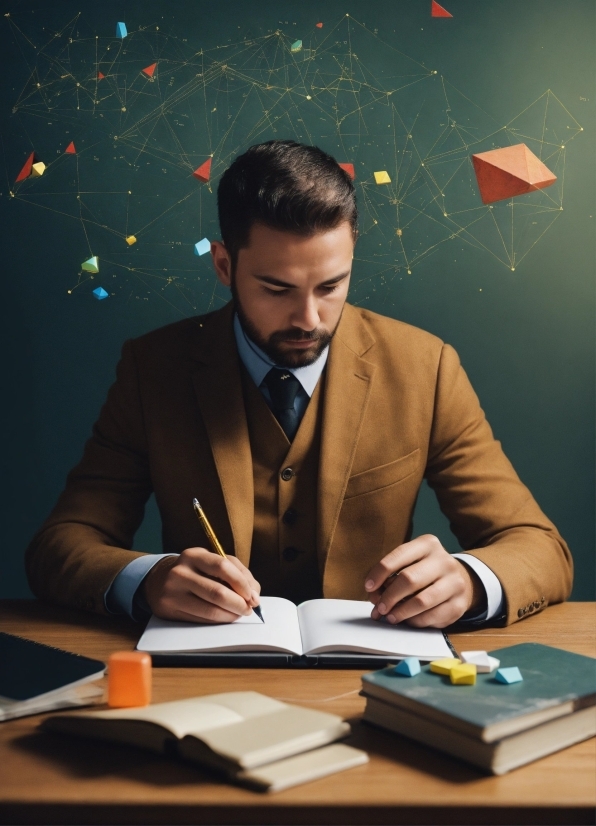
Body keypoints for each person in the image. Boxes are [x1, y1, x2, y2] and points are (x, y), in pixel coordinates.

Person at [25, 140, 572, 629]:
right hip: (204, 678)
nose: (308, 317)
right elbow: (59, 546)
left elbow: (540, 548)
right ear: (223, 265)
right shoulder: (153, 369)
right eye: (276, 288)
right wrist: (145, 580)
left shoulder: (426, 368)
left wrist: (471, 580)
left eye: (331, 285)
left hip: (373, 681)